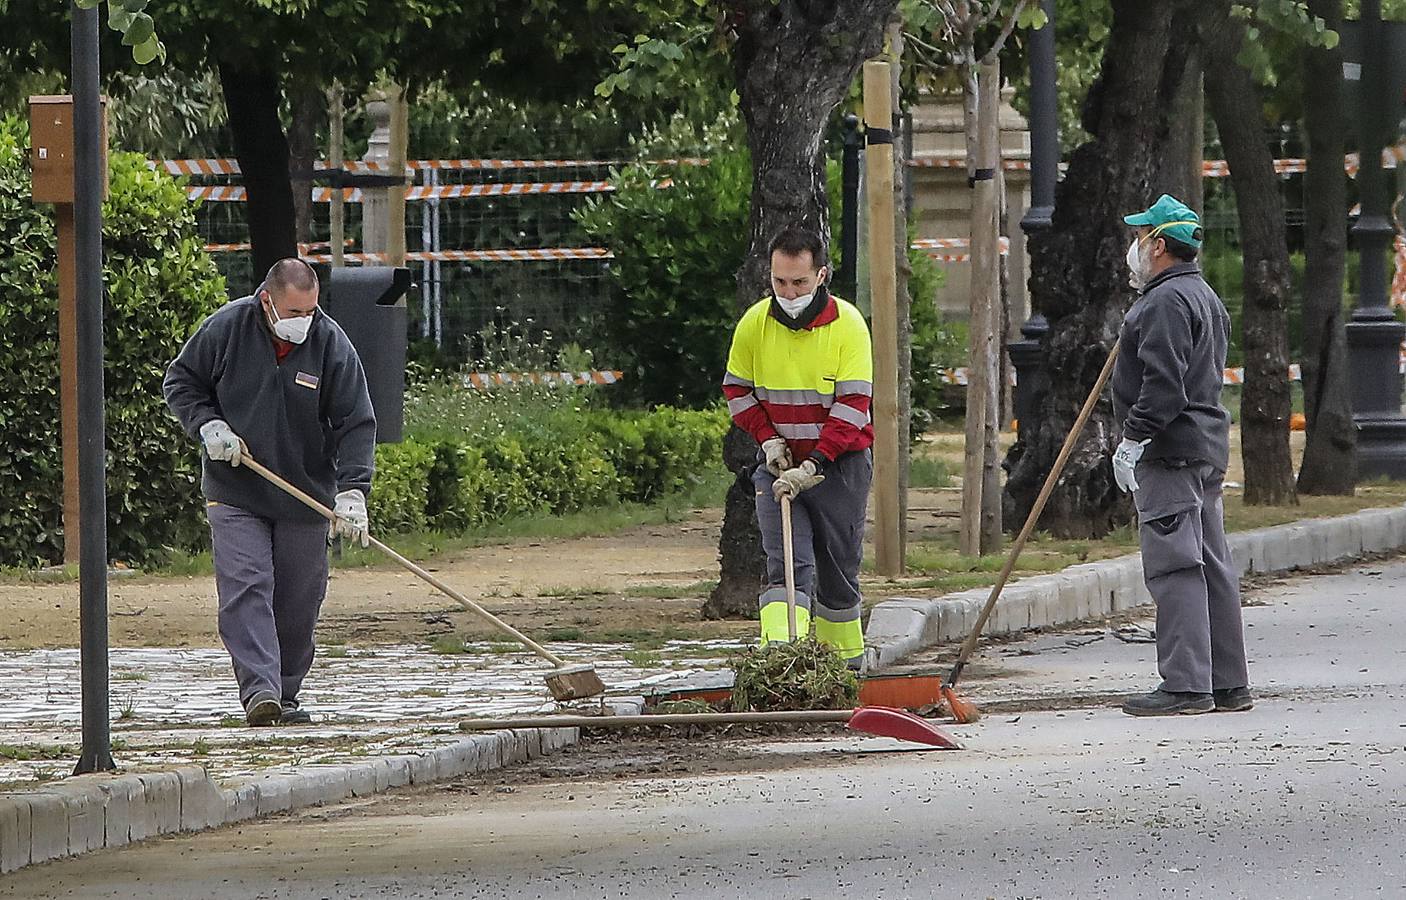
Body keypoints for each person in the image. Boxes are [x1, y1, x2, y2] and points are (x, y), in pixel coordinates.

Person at [164, 259, 376, 726]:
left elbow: (356, 421)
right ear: (267, 301)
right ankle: (260, 692)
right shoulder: (227, 328)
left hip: (306, 496)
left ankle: (285, 690)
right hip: (236, 488)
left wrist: (353, 492)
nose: (304, 322)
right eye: (295, 312)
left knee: (300, 599)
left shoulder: (329, 343)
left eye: (311, 311)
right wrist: (208, 425)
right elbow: (181, 381)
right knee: (246, 586)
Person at [1112, 194, 1252, 716]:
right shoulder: (1201, 296)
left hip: (1170, 452)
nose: (1135, 247)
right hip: (1203, 447)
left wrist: (1133, 438)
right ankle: (1227, 683)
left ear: (1160, 245)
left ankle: (1187, 685)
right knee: (1212, 563)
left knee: (1176, 567)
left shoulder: (1165, 303)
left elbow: (1164, 385)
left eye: (1140, 237)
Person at [722, 225, 874, 670]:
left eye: (799, 283)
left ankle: (843, 665)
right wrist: (769, 442)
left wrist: (813, 465)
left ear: (821, 275)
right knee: (786, 563)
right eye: (779, 282)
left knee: (837, 568)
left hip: (838, 467)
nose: (788, 293)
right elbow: (738, 390)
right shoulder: (755, 324)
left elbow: (852, 406)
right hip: (778, 464)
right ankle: (781, 665)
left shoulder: (848, 326)